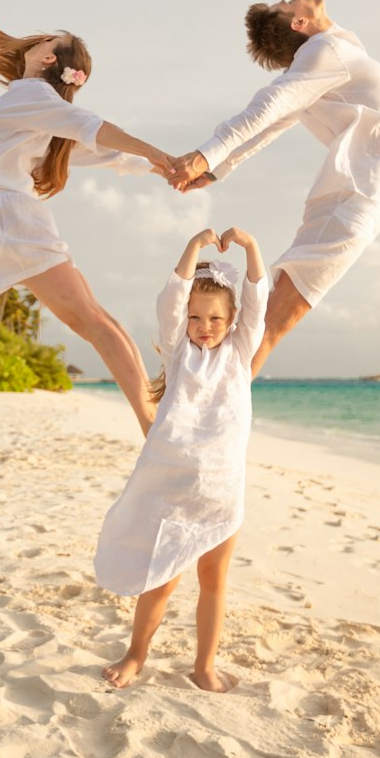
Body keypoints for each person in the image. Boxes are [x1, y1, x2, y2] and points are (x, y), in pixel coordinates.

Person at [170, 0, 380, 375]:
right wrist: (208, 156)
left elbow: (273, 123)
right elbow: (267, 109)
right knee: (276, 320)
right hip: (357, 194)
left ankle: (204, 394)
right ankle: (218, 409)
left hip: (356, 190)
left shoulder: (334, 47)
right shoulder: (322, 50)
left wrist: (218, 167)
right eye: (285, 3)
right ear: (297, 23)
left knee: (272, 316)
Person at [0, 14, 174, 434]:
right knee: (95, 320)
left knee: (94, 322)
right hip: (11, 217)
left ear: (45, 56)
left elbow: (96, 136)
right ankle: (153, 417)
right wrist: (164, 168)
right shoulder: (35, 105)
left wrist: (164, 162)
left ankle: (151, 422)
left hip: (10, 217)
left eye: (46, 40)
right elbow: (96, 148)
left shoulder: (31, 96)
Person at [95, 226, 267, 692]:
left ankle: (204, 665)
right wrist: (193, 247)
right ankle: (136, 655)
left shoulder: (239, 350)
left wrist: (251, 249)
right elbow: (171, 299)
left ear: (231, 320)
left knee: (214, 578)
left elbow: (257, 301)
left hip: (220, 487)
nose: (203, 326)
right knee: (161, 579)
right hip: (171, 485)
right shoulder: (178, 352)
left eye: (214, 318)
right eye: (195, 317)